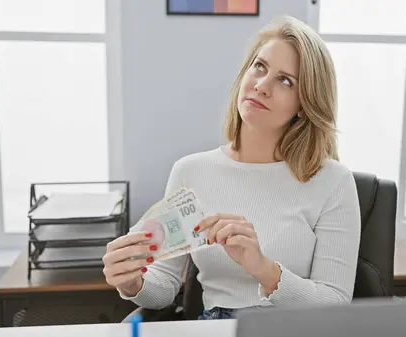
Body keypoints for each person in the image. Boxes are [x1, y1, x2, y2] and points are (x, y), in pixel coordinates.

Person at [102, 15, 361, 320]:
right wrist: (133, 281)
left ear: (305, 106)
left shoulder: (333, 181)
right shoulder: (191, 171)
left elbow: (335, 303)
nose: (262, 86)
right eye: (260, 67)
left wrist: (263, 268)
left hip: (293, 328)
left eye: (285, 80)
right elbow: (164, 287)